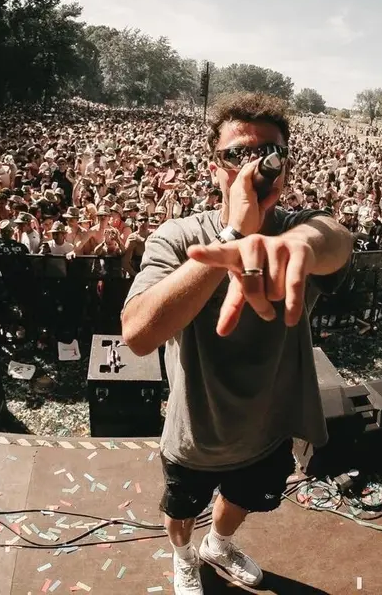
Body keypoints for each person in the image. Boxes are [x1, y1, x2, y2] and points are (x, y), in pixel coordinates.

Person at [120, 93, 353, 595]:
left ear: (284, 168)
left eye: (268, 153)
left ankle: (218, 544)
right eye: (237, 154)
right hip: (196, 430)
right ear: (213, 169)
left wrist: (303, 245)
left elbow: (337, 239)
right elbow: (138, 334)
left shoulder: (298, 229)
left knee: (243, 498)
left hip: (269, 426)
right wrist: (230, 237)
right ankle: (185, 554)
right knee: (181, 510)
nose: (254, 166)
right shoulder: (178, 236)